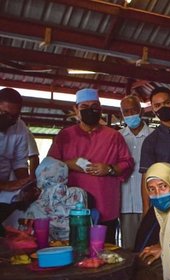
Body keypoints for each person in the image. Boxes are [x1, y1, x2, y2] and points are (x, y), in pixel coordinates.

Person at [47, 88, 134, 243]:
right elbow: (48, 167)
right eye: (84, 107)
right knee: (76, 250)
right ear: (76, 110)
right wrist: (68, 164)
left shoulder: (113, 136)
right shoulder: (65, 136)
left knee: (106, 252)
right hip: (72, 209)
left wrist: (109, 169)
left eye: (94, 107)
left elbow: (127, 163)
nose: (90, 111)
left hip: (106, 207)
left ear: (100, 109)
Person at [25, 157, 87, 241]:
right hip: (78, 241)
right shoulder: (79, 193)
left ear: (41, 177)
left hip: (49, 247)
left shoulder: (37, 204)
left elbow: (26, 233)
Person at [119, 95, 151, 250]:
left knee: (148, 247)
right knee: (129, 248)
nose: (130, 114)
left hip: (150, 203)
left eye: (134, 110)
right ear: (122, 115)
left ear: (142, 111)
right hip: (125, 202)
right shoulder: (117, 137)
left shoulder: (154, 136)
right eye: (126, 112)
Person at [0, 88, 34, 224]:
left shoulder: (20, 127)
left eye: (14, 116)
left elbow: (19, 162)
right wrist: (5, 185)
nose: (10, 119)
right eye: (4, 113)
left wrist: (26, 185)